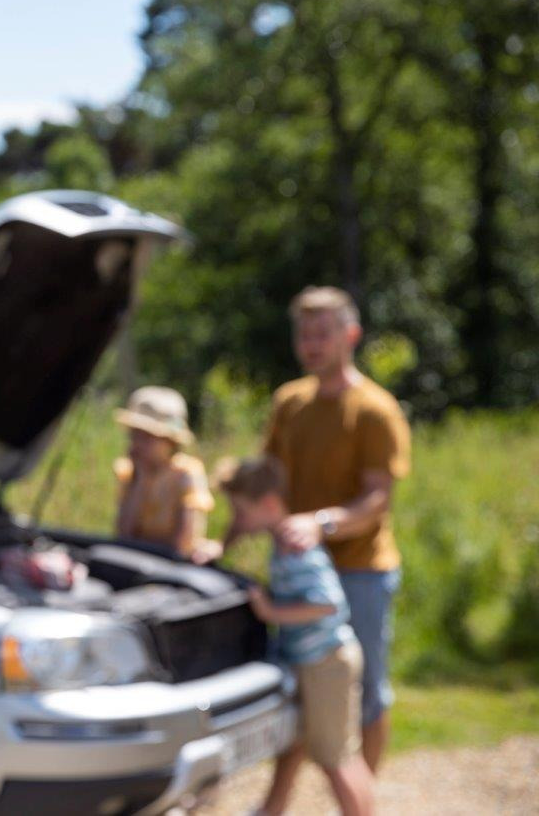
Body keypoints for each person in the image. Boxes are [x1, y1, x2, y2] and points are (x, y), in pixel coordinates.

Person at [257, 285, 411, 776]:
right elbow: (268, 482)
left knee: (365, 689)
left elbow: (376, 500)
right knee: (298, 683)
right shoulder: (289, 402)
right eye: (304, 333)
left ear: (351, 335)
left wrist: (319, 524)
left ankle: (361, 796)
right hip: (299, 570)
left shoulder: (375, 409)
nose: (312, 343)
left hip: (360, 571)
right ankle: (277, 803)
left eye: (322, 332)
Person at [217, 455, 374, 816]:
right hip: (313, 659)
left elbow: (328, 604)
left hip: (326, 662)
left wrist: (270, 612)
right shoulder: (281, 540)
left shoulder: (295, 546)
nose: (238, 521)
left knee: (336, 759)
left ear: (269, 504)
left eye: (242, 512)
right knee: (311, 747)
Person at [112, 386, 222, 564]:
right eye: (135, 434)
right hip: (135, 559)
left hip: (171, 565)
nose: (138, 442)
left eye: (147, 436)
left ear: (170, 441)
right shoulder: (130, 472)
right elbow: (123, 535)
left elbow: (184, 544)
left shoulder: (186, 474)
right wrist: (140, 480)